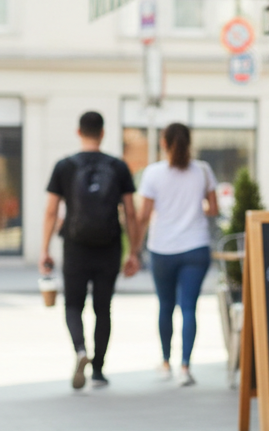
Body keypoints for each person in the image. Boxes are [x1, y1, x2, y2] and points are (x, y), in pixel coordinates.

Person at [40, 111, 139, 390]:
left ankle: (81, 350)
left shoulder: (65, 166)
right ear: (103, 133)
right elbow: (130, 212)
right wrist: (134, 251)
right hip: (108, 246)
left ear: (78, 132)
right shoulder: (118, 166)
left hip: (75, 246)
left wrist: (44, 250)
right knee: (103, 308)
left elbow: (51, 211)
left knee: (73, 304)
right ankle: (98, 370)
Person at [133, 123, 217, 387]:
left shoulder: (153, 173)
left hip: (162, 249)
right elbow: (213, 209)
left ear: (164, 143)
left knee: (166, 306)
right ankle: (185, 368)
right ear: (189, 142)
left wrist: (133, 250)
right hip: (196, 247)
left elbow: (144, 216)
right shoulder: (203, 170)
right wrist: (193, 211)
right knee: (190, 307)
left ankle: (166, 362)